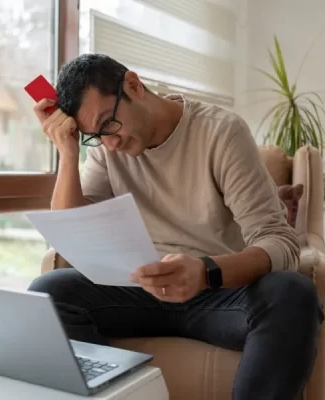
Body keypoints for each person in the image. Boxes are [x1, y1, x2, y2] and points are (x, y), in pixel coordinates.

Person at [29, 53, 323, 400]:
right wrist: (68, 151)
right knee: (49, 292)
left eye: (109, 124)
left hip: (220, 293)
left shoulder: (220, 132)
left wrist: (204, 272)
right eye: (95, 136)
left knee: (292, 294)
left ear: (134, 86)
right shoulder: (106, 150)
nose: (111, 143)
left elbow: (280, 242)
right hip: (141, 291)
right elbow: (72, 232)